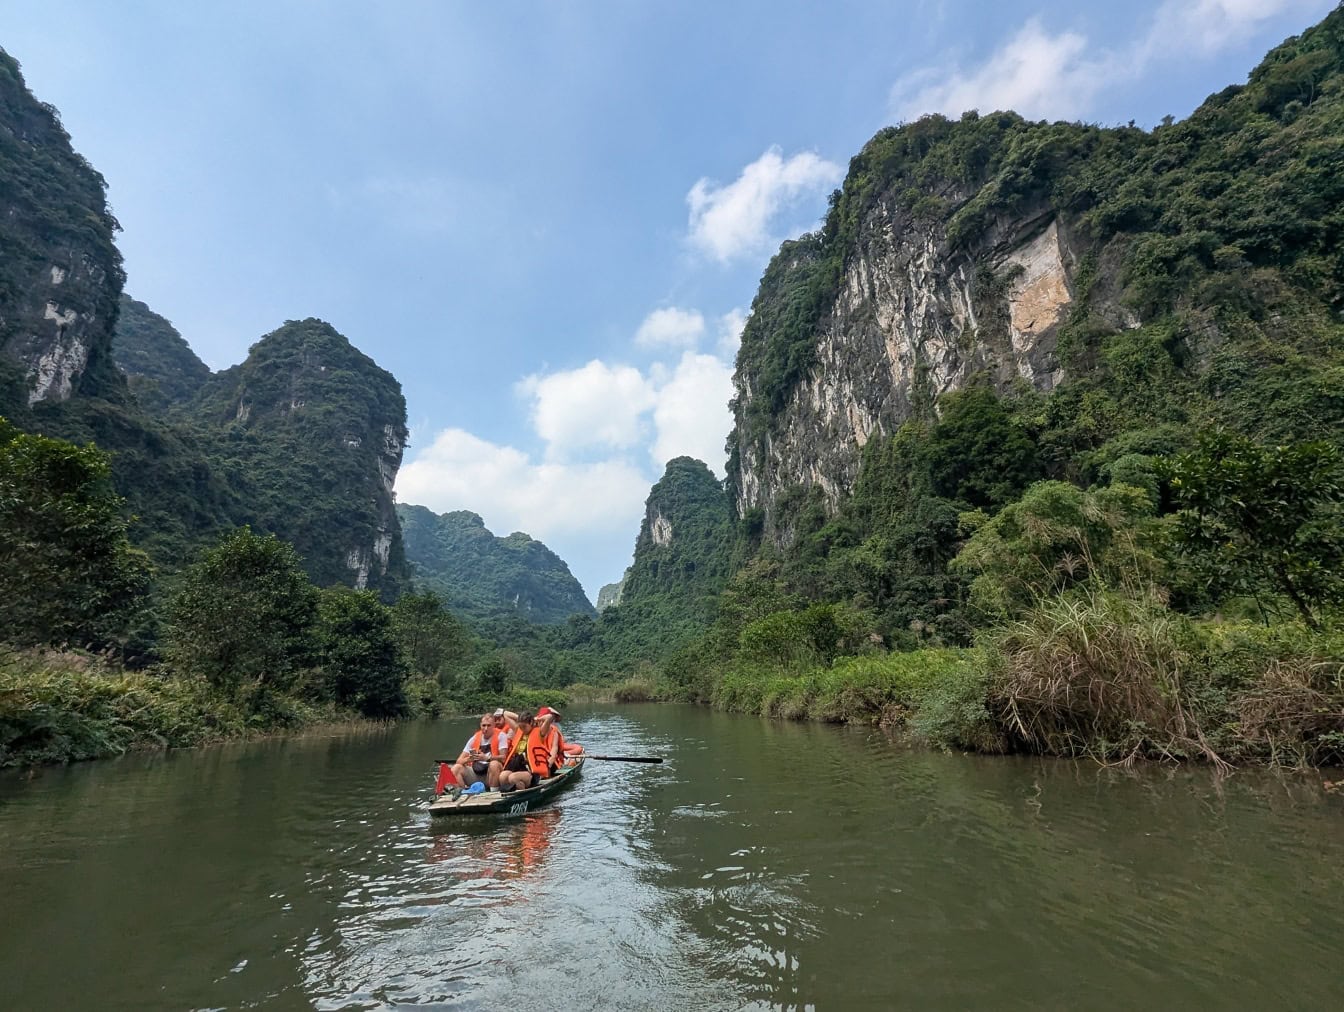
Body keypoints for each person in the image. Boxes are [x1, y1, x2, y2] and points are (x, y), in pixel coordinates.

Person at [451, 713, 508, 790]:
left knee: (494, 764)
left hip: (492, 774)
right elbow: (459, 761)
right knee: (455, 768)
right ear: (480, 725)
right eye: (484, 725)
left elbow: (503, 758)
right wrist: (469, 759)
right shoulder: (474, 738)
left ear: (494, 725)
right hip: (476, 772)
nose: (486, 728)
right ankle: (462, 793)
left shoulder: (501, 735)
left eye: (489, 725)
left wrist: (486, 758)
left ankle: (493, 793)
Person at [498, 710, 536, 793]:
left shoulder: (538, 732)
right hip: (517, 766)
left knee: (513, 777)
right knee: (502, 776)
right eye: (520, 727)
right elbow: (505, 714)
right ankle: (509, 795)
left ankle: (524, 796)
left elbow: (548, 718)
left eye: (524, 726)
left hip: (530, 770)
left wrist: (533, 720)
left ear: (531, 723)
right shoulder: (518, 730)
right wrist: (520, 719)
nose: (522, 729)